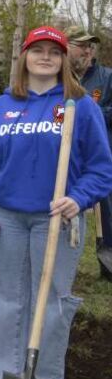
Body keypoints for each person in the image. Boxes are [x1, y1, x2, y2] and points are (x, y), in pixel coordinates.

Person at [0, 26, 112, 379]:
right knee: (7, 300)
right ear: (24, 57)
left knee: (52, 303)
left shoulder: (80, 105)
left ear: (65, 60)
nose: (45, 57)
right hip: (6, 216)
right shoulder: (3, 104)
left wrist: (78, 198)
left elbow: (101, 168)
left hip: (56, 220)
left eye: (54, 51)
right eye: (37, 50)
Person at [66, 27, 112, 279]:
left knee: (107, 210)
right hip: (69, 158)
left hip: (101, 154)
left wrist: (90, 114)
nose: (87, 50)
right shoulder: (60, 78)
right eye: (81, 45)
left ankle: (107, 262)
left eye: (90, 46)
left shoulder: (106, 77)